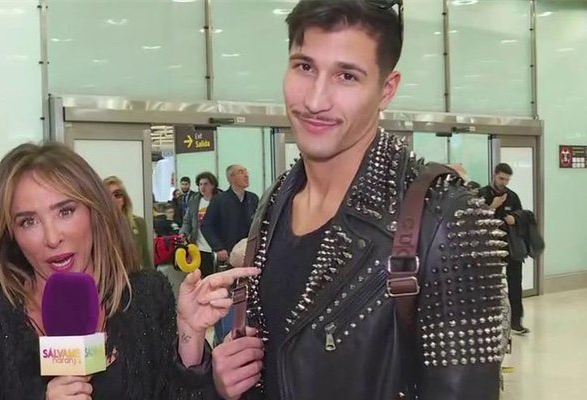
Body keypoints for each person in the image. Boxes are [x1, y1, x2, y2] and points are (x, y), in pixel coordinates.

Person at [211, 1, 507, 399]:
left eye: (346, 76)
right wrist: (226, 379)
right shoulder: (275, 203)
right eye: (304, 67)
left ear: (387, 89)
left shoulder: (448, 217)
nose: (315, 100)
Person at [0, 142, 259, 399]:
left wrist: (190, 335)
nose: (53, 237)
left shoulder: (147, 295)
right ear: (10, 233)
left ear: (95, 212)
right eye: (28, 221)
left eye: (65, 211)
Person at [479, 163, 528, 335]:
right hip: (489, 247)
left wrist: (515, 219)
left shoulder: (512, 197)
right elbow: (475, 220)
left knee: (515, 283)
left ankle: (516, 321)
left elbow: (522, 216)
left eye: (507, 179)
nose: (504, 182)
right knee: (490, 285)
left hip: (510, 246)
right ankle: (489, 321)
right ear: (494, 175)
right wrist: (491, 206)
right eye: (501, 178)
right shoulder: (482, 194)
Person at [201, 165, 259, 265]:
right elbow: (206, 226)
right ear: (231, 178)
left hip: (249, 252)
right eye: (241, 172)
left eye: (246, 171)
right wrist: (218, 247)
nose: (246, 175)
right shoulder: (219, 200)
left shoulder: (253, 198)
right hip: (228, 254)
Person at [103, 176, 153, 269]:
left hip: (137, 279)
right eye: (107, 196)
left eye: (117, 195)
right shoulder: (97, 227)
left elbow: (146, 260)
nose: (113, 200)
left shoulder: (138, 223)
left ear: (124, 199)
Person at [180, 172, 220, 278]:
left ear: (213, 185)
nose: (202, 187)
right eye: (200, 184)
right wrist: (183, 233)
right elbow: (187, 221)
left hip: (216, 246)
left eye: (206, 184)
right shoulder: (194, 201)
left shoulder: (220, 200)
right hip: (199, 246)